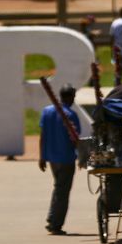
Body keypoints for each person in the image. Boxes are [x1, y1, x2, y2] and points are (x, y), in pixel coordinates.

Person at [39, 84, 81, 235]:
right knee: (62, 192)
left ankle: (52, 218)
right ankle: (55, 224)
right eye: (73, 97)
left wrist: (42, 157)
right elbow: (76, 139)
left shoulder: (47, 111)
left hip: (52, 159)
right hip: (66, 158)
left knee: (58, 188)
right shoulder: (70, 115)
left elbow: (43, 135)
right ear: (69, 97)